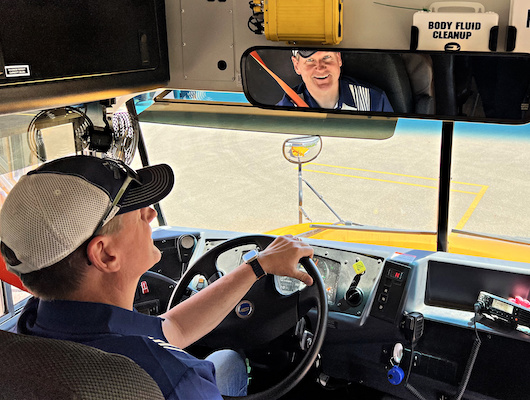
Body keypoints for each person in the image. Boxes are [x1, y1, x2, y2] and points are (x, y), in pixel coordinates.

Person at [0, 155, 314, 399]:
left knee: (228, 359)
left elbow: (171, 329)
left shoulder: (29, 326)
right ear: (106, 254)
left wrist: (256, 267)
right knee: (229, 360)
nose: (151, 213)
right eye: (135, 208)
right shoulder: (175, 381)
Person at [277, 50, 394, 112]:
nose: (320, 67)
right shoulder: (285, 109)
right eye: (310, 60)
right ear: (296, 66)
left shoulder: (373, 100)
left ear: (338, 58)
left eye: (326, 57)